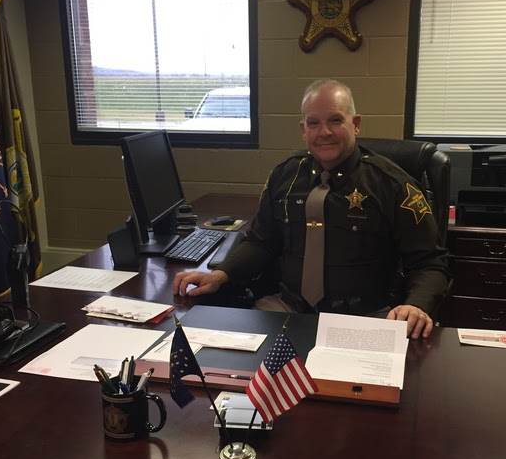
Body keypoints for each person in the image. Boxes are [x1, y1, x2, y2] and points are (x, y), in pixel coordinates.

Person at [173, 79, 450, 339]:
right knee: (223, 356)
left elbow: (430, 263)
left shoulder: (393, 185)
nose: (324, 132)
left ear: (356, 125)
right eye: (314, 123)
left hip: (366, 316)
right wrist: (219, 275)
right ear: (303, 129)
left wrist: (416, 305)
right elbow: (261, 242)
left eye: (335, 120)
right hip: (287, 308)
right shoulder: (284, 176)